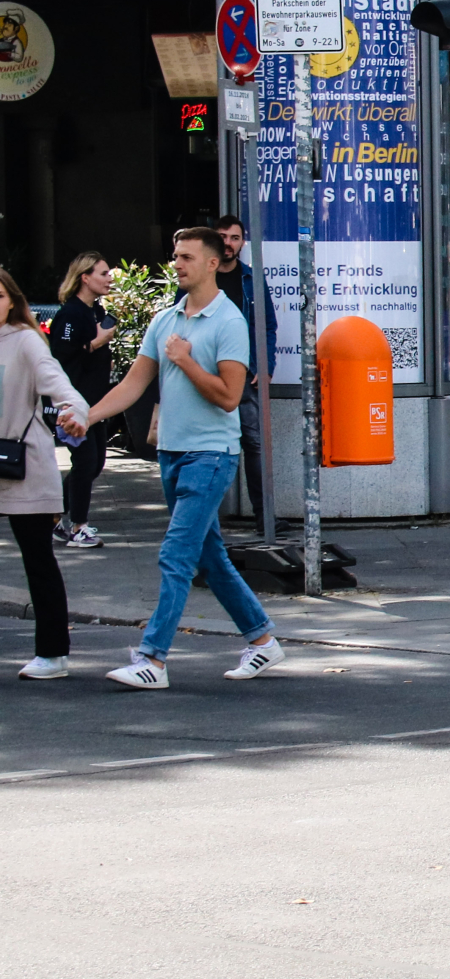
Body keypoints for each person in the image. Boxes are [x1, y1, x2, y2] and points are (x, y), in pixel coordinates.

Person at [76, 227, 285, 690]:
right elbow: (133, 384)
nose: (178, 264)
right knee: (209, 555)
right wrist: (88, 418)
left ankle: (153, 657)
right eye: (175, 256)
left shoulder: (229, 322)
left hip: (211, 456)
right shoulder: (165, 319)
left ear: (213, 263)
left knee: (176, 555)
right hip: (171, 453)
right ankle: (263, 640)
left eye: (187, 256)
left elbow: (231, 397)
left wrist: (188, 363)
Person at [2, 266, 88, 679]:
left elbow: (59, 382)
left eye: (0, 297)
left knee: (38, 559)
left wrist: (75, 411)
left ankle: (53, 654)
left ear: (12, 301)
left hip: (25, 466)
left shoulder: (25, 342)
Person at [47, 252, 117, 548]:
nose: (109, 278)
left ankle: (55, 517)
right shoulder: (70, 314)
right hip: (76, 403)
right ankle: (78, 526)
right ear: (85, 277)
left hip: (97, 403)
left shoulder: (96, 311)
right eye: (103, 273)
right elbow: (61, 356)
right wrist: (96, 343)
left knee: (95, 463)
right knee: (86, 462)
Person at [213, 216, 270, 526]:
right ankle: (208, 515)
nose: (228, 243)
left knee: (254, 443)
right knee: (210, 444)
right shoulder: (201, 279)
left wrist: (265, 366)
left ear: (242, 243)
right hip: (208, 375)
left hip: (246, 375)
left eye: (234, 238)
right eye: (223, 236)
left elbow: (268, 325)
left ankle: (264, 517)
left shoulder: (251, 279)